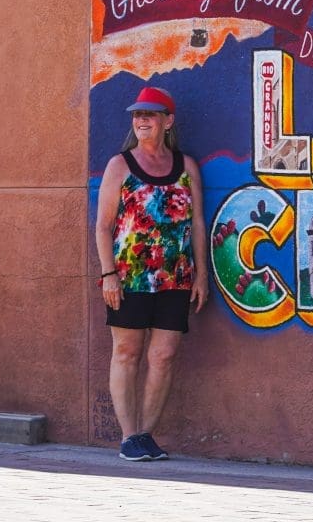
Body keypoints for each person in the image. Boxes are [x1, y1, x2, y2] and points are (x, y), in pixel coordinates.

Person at [96, 86, 209, 461]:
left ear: (167, 121)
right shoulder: (120, 166)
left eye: (150, 114)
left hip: (175, 278)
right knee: (127, 352)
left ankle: (146, 434)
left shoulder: (186, 167)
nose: (141, 120)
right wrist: (108, 274)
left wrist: (202, 274)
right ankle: (129, 436)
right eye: (136, 115)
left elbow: (197, 224)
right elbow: (103, 225)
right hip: (129, 277)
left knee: (164, 355)